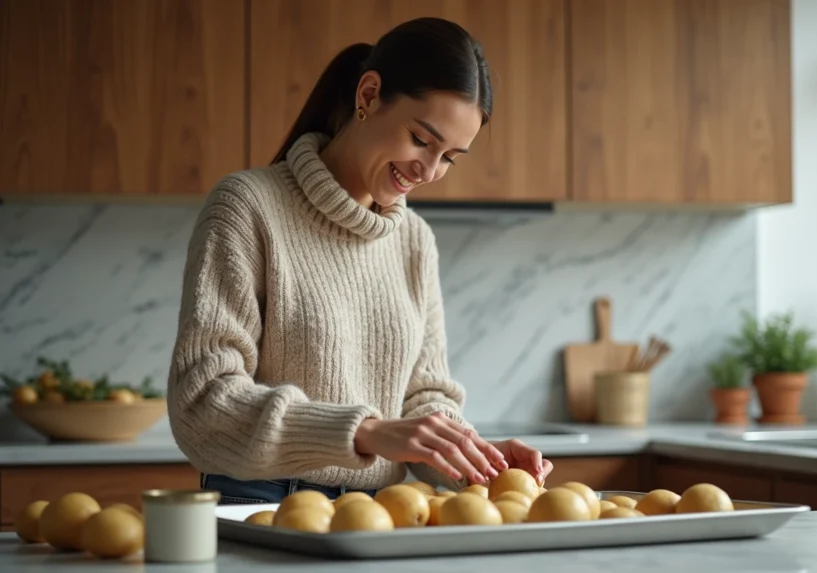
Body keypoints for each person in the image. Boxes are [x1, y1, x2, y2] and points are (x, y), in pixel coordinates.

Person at [166, 16, 554, 504]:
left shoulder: (414, 240)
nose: (430, 171)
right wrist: (364, 431)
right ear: (368, 96)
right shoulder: (248, 207)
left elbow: (424, 399)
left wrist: (473, 457)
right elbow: (202, 404)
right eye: (421, 139)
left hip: (377, 515)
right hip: (261, 504)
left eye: (451, 157)